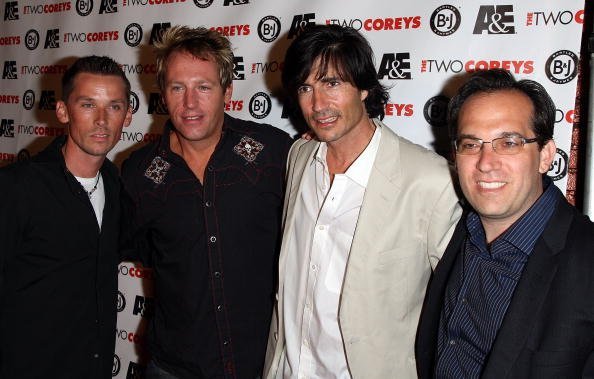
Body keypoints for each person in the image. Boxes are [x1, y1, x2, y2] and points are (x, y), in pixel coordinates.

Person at [264, 24, 462, 379]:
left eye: (332, 83)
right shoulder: (300, 156)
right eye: (306, 87)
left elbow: (458, 307)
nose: (318, 104)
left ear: (364, 87)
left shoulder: (429, 180)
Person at [120, 26, 292, 378]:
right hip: (174, 367)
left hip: (263, 363)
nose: (190, 103)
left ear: (227, 90)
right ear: (163, 94)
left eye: (204, 87)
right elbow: (142, 249)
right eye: (177, 87)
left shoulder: (273, 152)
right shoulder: (139, 172)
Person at [415, 69, 594, 378]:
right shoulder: (461, 231)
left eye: (509, 143)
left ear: (545, 155)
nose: (486, 163)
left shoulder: (586, 263)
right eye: (471, 145)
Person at [0, 55, 132, 378]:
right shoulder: (17, 188)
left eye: (114, 107)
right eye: (88, 105)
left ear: (127, 116)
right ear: (62, 111)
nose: (102, 120)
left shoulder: (117, 186)